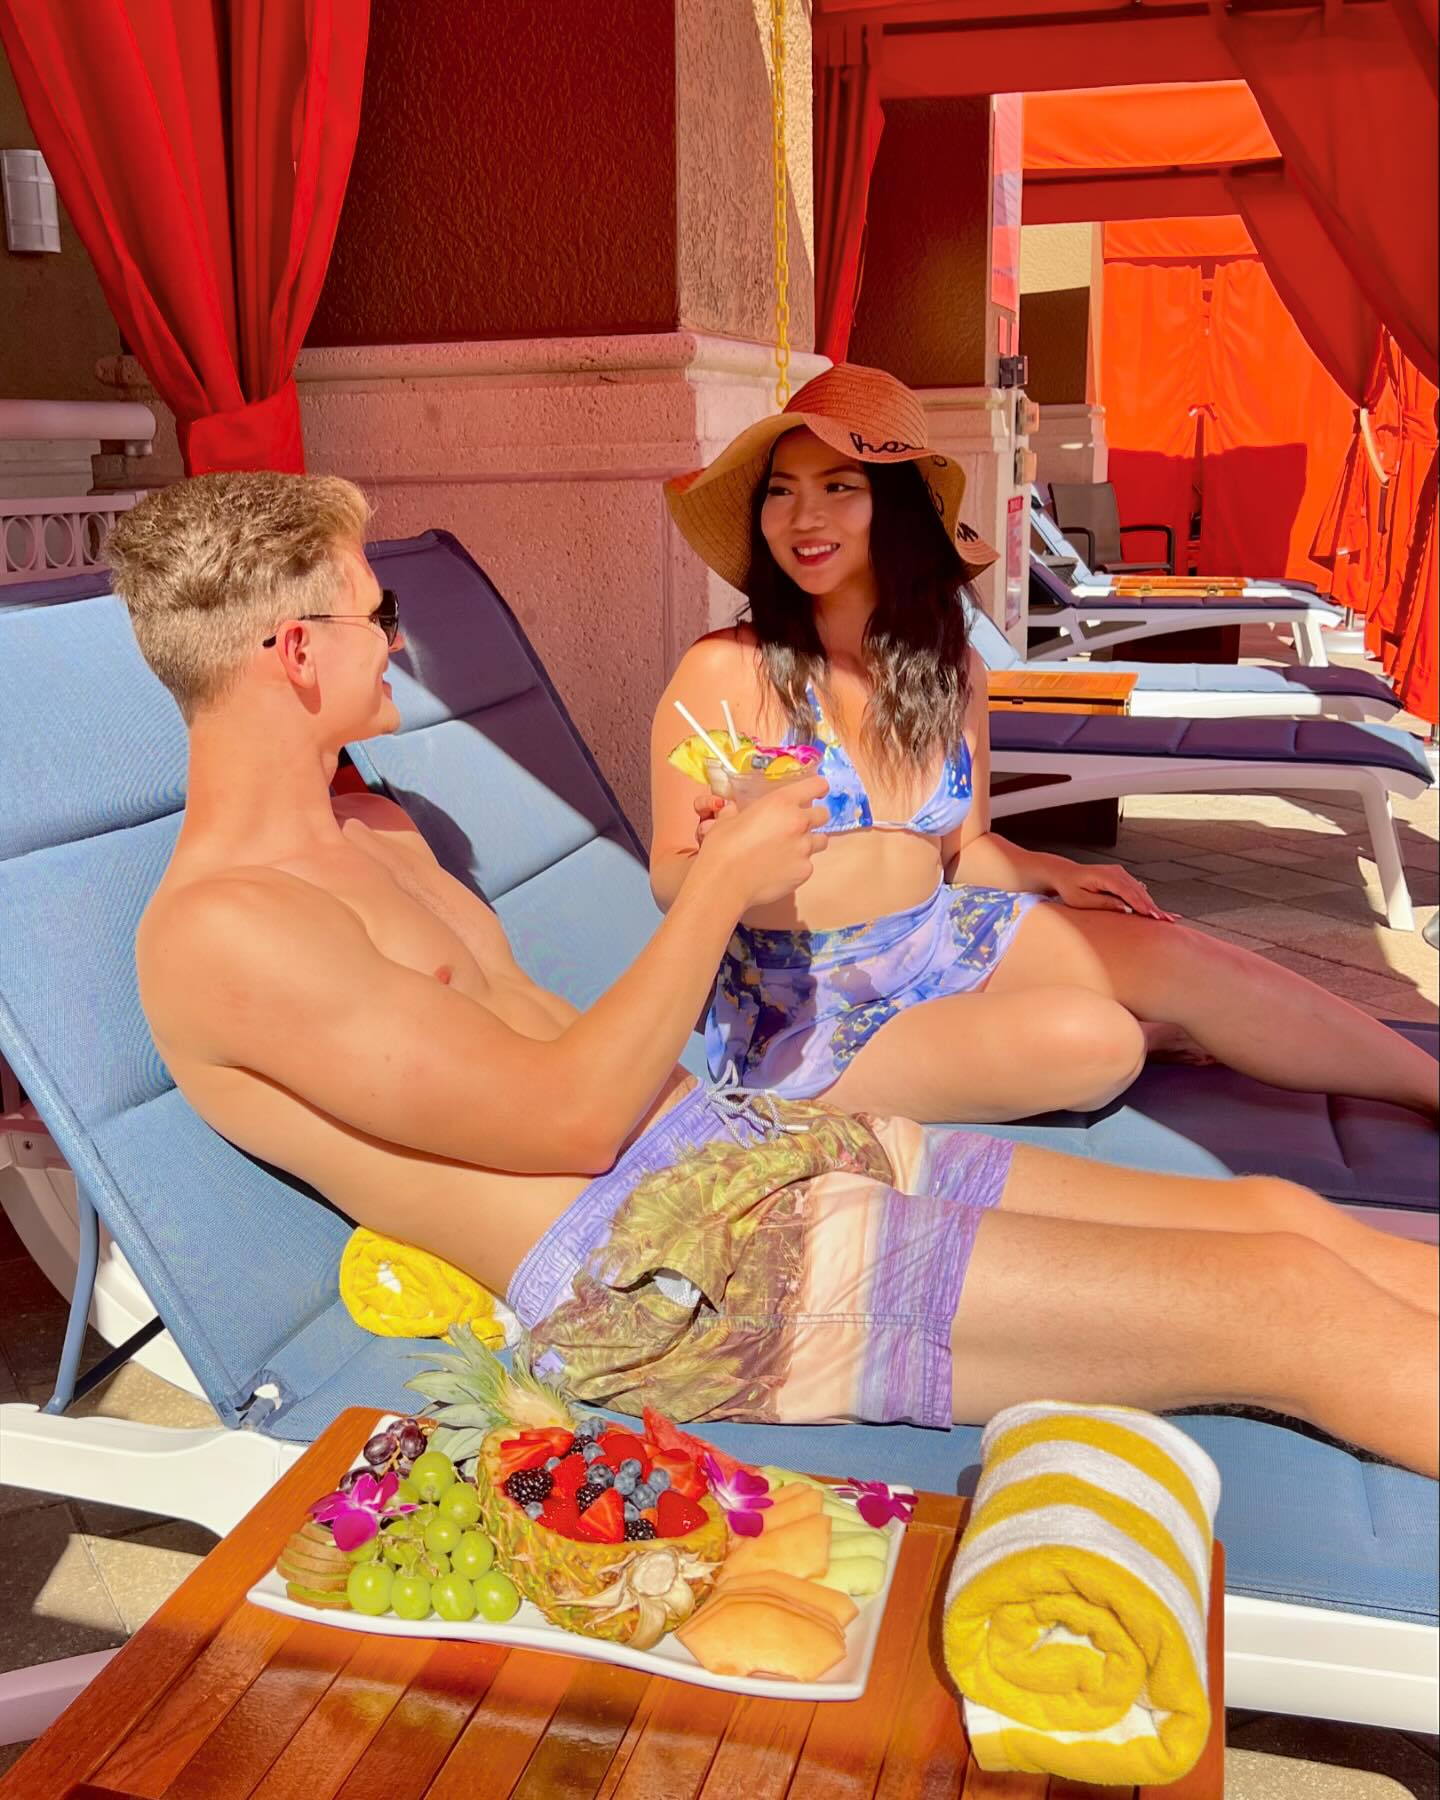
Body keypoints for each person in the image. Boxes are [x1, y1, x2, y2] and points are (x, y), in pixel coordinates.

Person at [109, 472, 1438, 1476]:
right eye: (377, 614)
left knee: (1282, 1221)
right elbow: (570, 1123)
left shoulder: (376, 825)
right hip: (667, 1274)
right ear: (295, 652)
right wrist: (725, 882)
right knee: (1287, 1310)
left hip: (745, 1146)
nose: (397, 640)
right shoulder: (228, 933)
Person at [652, 363, 1439, 1124]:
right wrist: (732, 863)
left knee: (1185, 956)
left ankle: (1428, 1085)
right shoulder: (727, 670)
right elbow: (669, 877)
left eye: (838, 488)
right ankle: (1134, 1035)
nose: (803, 517)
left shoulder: (951, 672)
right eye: (781, 491)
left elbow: (962, 852)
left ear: (895, 509)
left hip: (937, 935)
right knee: (1098, 1042)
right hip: (803, 1007)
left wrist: (1056, 871)